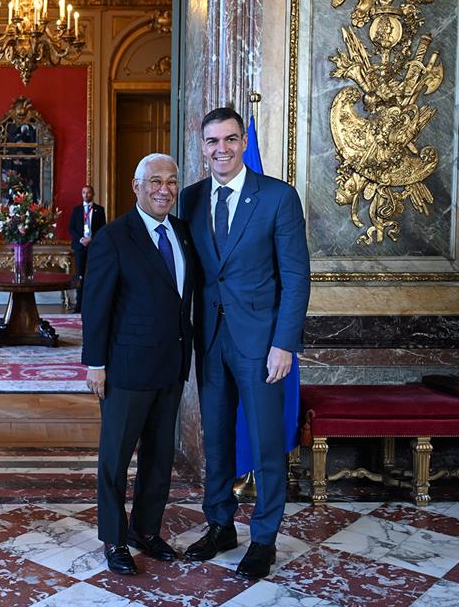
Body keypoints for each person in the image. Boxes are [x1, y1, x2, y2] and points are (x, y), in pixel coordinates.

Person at [179, 107, 311, 579]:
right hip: (209, 341)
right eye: (212, 142)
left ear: (242, 142)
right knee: (216, 439)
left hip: (261, 345)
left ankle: (264, 538)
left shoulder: (277, 197)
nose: (222, 149)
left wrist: (284, 344)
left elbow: (295, 277)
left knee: (266, 442)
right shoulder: (190, 200)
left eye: (231, 140)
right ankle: (219, 525)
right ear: (203, 146)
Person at [81, 154, 195, 575]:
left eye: (170, 181)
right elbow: (96, 307)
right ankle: (114, 538)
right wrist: (95, 364)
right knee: (115, 459)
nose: (163, 189)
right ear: (137, 186)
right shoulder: (113, 237)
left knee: (158, 457)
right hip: (125, 369)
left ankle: (146, 530)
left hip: (170, 366)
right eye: (154, 181)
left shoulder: (182, 233)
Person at [68, 185, 107, 313]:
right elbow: (71, 228)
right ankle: (78, 304)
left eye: (88, 192)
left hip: (93, 246)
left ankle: (92, 304)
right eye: (84, 192)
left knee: (93, 275)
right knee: (80, 275)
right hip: (80, 246)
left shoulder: (99, 210)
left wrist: (92, 239)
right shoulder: (77, 210)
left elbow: (103, 228)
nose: (86, 195)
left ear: (93, 194)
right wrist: (81, 239)